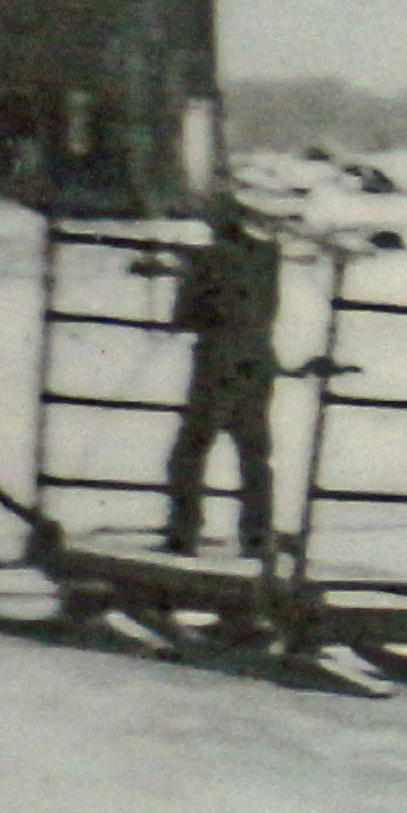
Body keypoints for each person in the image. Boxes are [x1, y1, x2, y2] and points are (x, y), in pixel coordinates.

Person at [160, 204, 286, 559]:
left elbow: (185, 317)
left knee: (190, 451)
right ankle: (258, 536)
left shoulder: (209, 262)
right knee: (254, 454)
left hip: (218, 364)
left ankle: (184, 532)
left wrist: (187, 272)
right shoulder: (267, 258)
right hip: (259, 361)